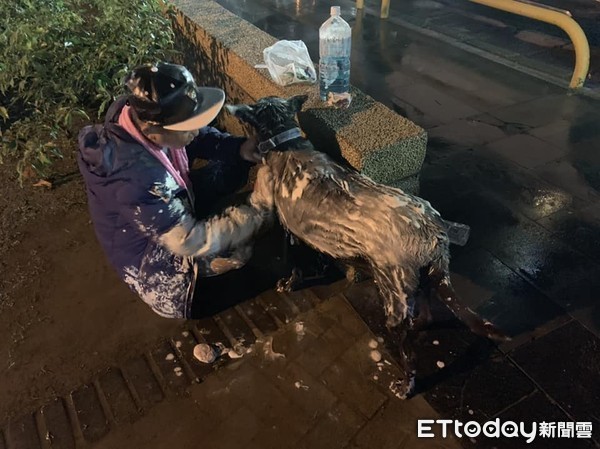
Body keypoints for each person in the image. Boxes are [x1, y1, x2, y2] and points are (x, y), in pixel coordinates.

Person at [77, 62, 275, 319]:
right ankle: (190, 297)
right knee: (264, 262)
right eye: (187, 127)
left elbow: (198, 137)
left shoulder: (133, 118)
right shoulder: (136, 180)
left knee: (231, 165)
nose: (196, 130)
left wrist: (238, 148)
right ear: (153, 131)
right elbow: (189, 240)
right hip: (160, 275)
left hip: (166, 208)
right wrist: (256, 214)